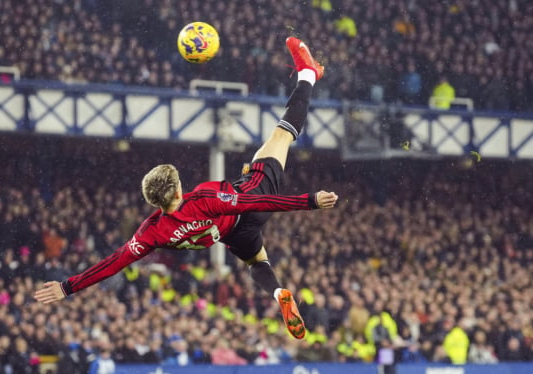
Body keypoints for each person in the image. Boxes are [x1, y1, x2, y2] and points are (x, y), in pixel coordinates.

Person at [34, 37, 339, 340]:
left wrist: (67, 286)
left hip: (232, 235)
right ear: (179, 191)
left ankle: (277, 292)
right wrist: (310, 200)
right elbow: (251, 203)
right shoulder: (203, 198)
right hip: (251, 200)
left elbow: (112, 263)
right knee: (282, 135)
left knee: (257, 261)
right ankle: (307, 74)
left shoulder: (151, 232)